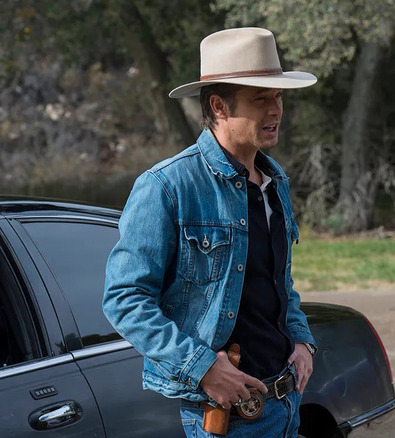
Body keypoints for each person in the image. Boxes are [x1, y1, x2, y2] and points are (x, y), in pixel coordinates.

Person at [103, 27, 318, 437]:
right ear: (218, 105)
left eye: (279, 97)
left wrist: (302, 340)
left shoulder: (276, 182)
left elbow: (278, 282)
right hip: (225, 417)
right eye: (260, 99)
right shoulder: (167, 186)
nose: (276, 110)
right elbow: (124, 299)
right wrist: (201, 368)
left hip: (285, 405)